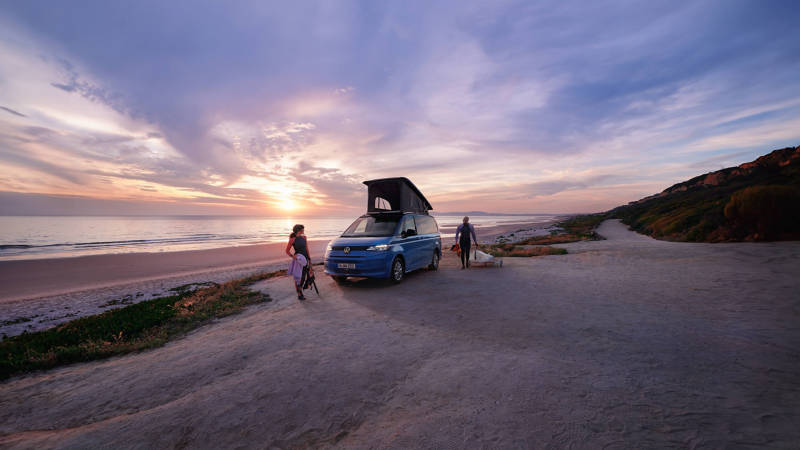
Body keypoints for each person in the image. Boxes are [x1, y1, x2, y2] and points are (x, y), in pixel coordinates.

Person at [286, 224, 311, 300]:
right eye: (302, 229)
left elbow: (306, 249)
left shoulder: (304, 238)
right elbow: (287, 251)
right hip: (298, 260)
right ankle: (299, 294)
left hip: (305, 259)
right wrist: (292, 256)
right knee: (298, 277)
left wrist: (309, 259)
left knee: (303, 276)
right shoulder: (292, 239)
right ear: (298, 230)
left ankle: (300, 290)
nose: (303, 230)